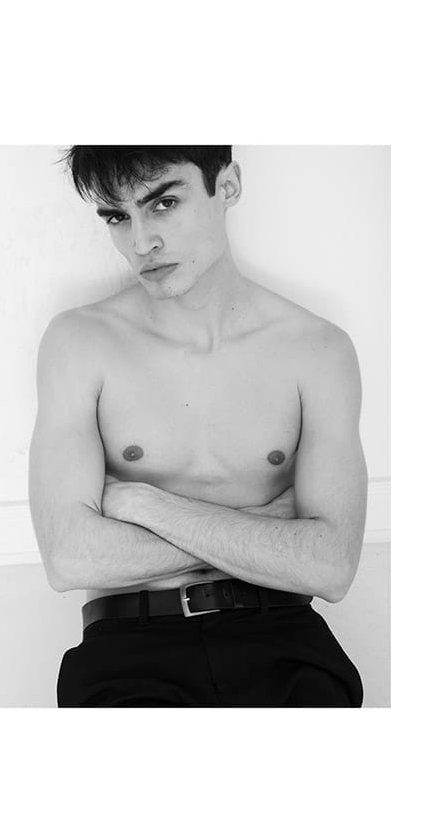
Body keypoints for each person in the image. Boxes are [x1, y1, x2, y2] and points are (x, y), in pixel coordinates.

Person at [28, 145, 367, 707]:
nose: (140, 242)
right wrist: (267, 531)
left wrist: (145, 505)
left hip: (283, 638)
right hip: (129, 645)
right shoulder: (80, 343)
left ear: (227, 186)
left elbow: (331, 567)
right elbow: (68, 559)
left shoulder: (318, 351)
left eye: (163, 203)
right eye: (117, 216)